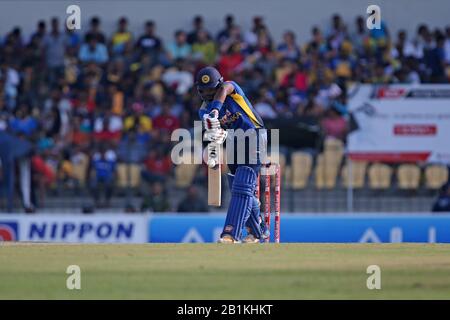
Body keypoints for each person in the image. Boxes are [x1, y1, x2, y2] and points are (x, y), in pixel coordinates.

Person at [196, 66, 269, 243]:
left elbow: (225, 88)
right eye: (204, 91)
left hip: (254, 135)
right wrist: (213, 146)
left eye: (211, 89)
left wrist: (215, 109)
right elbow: (215, 134)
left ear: (218, 84)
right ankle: (259, 230)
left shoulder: (231, 89)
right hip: (233, 142)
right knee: (238, 186)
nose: (208, 94)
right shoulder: (203, 112)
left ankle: (231, 234)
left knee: (243, 182)